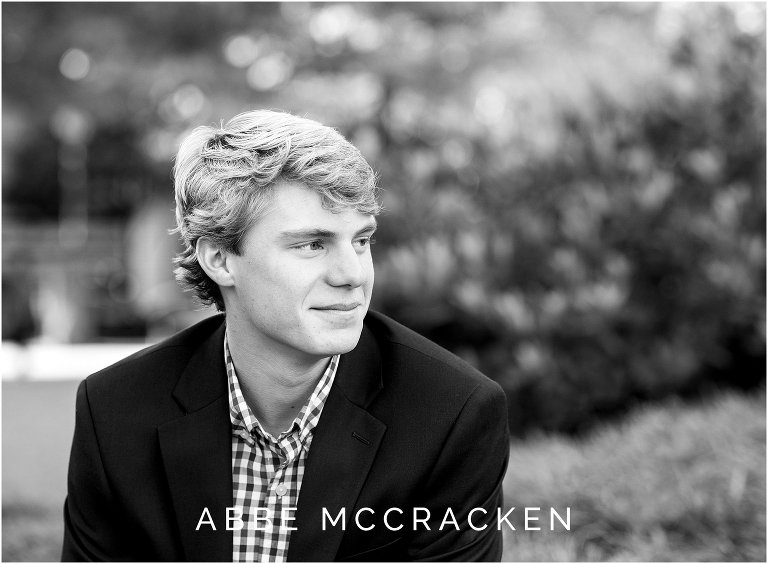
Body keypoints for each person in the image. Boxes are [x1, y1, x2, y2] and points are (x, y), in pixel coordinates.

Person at [62, 110, 510, 562]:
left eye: (361, 240)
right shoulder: (115, 411)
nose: (353, 275)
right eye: (312, 244)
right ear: (219, 258)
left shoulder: (452, 413)